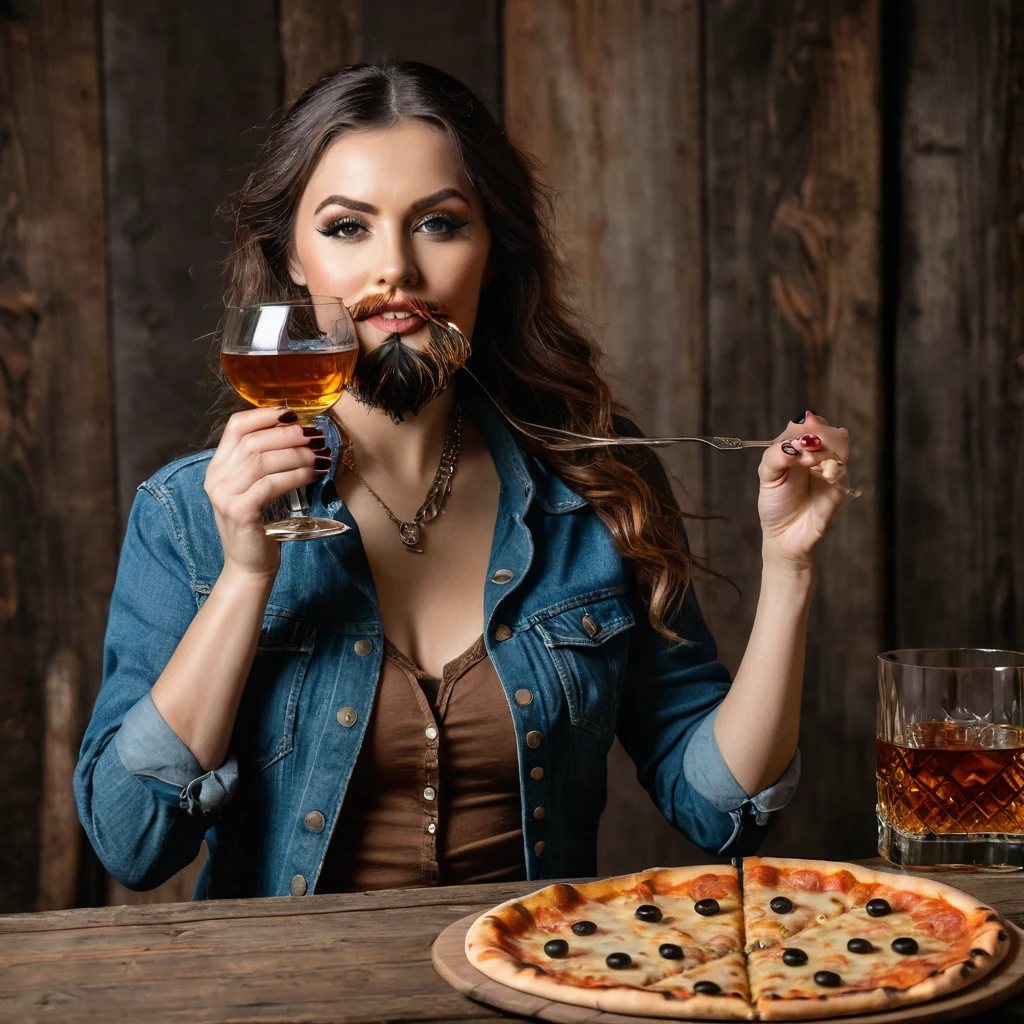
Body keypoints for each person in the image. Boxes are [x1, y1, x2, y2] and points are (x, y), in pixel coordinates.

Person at [74, 61, 852, 900]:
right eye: (347, 229)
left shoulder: (597, 488)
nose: (395, 271)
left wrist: (789, 563)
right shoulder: (186, 513)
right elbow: (132, 840)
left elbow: (722, 808)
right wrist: (245, 576)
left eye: (438, 224)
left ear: (492, 251)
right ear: (292, 259)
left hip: (533, 975)